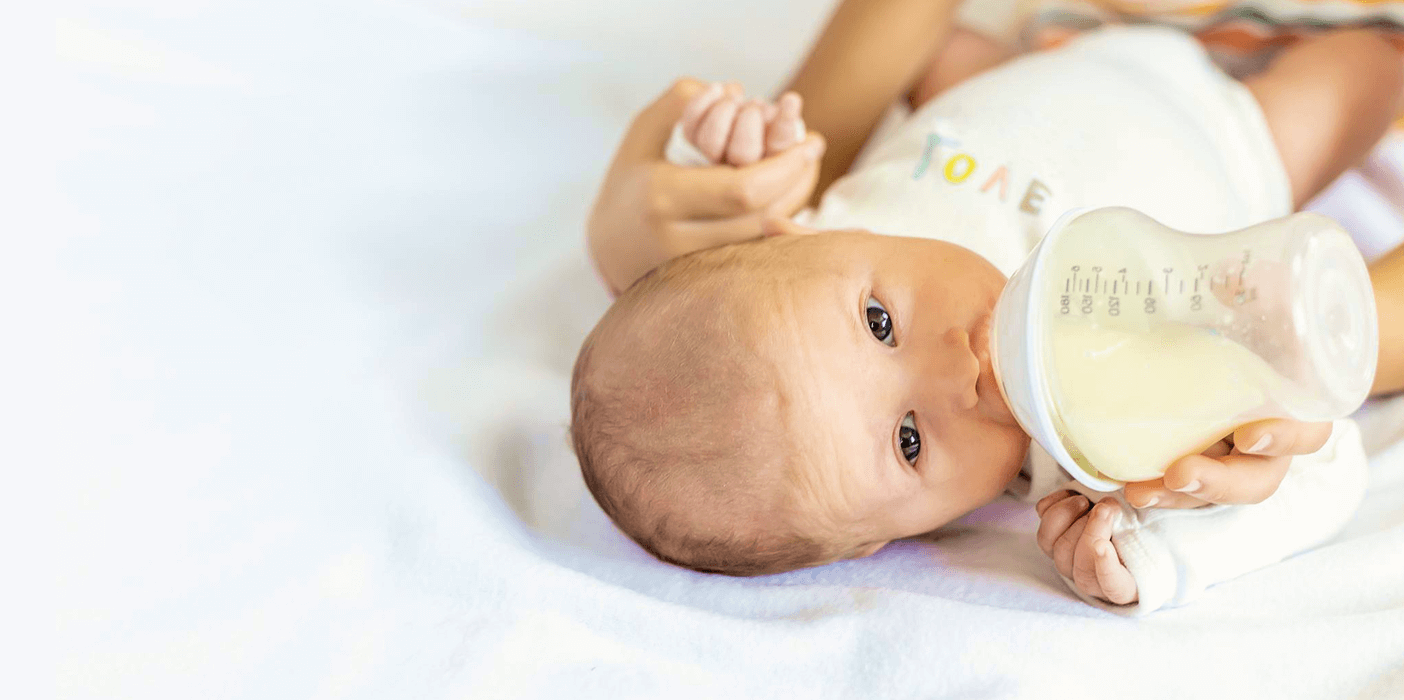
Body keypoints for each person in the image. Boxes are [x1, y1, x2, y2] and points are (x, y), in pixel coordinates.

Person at [573, 0, 1404, 612]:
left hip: (1022, 69)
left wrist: (738, 154)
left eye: (879, 322)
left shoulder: (805, 241)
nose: (957, 370)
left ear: (793, 235)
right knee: (1371, 69)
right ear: (887, 539)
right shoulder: (1080, 441)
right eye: (907, 442)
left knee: (947, 53)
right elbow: (1313, 467)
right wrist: (1158, 557)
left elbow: (727, 240)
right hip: (1227, 126)